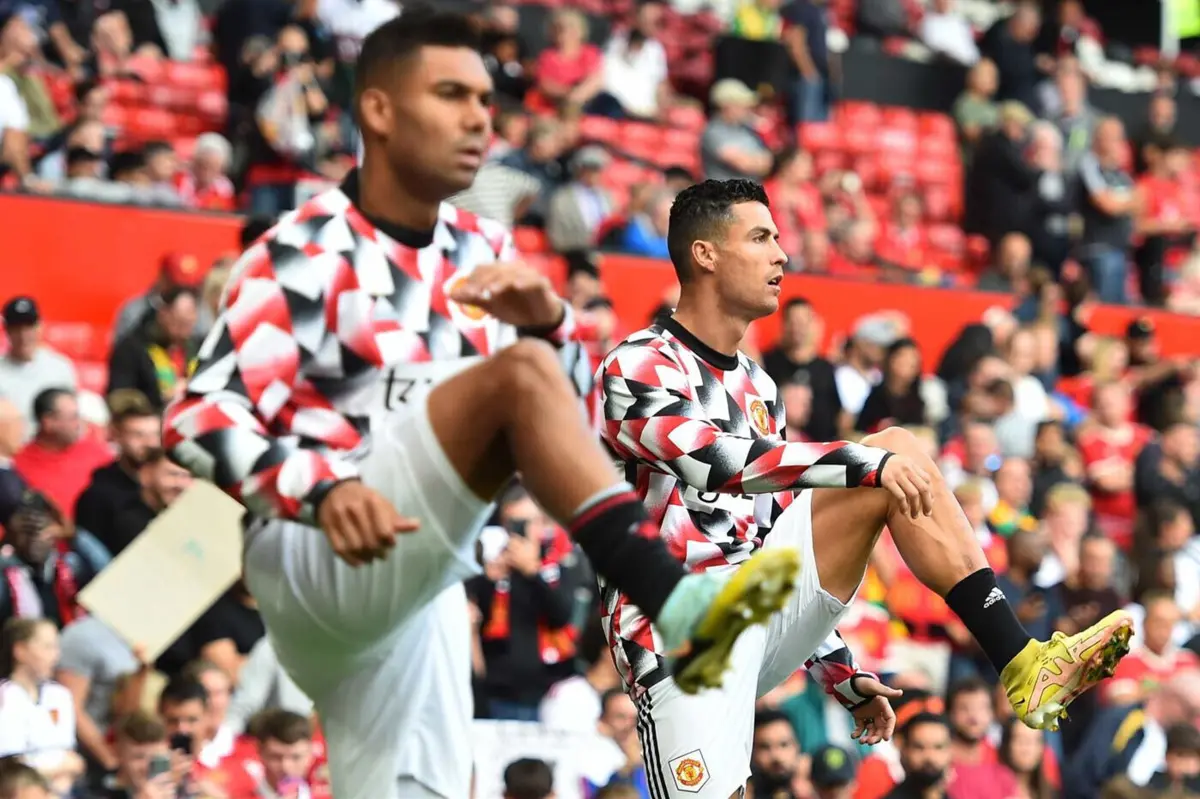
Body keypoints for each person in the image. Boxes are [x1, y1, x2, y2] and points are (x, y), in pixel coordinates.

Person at [162, 11, 797, 799]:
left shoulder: (484, 248)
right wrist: (319, 490)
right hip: (313, 550)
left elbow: (562, 421)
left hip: (419, 575)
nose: (476, 118)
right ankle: (674, 599)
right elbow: (194, 418)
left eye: (486, 101)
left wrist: (556, 328)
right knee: (519, 373)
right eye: (450, 94)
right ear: (379, 111)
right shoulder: (308, 249)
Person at [597, 179, 1134, 799]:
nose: (782, 256)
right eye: (761, 238)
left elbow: (766, 535)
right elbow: (714, 463)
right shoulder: (637, 363)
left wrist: (843, 677)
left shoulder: (759, 387)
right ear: (705, 254)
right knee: (876, 460)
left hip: (757, 606)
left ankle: (1024, 663)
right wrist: (857, 462)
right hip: (679, 636)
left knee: (897, 446)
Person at [0, 619, 85, 792]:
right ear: (20, 651)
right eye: (48, 647)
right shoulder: (4, 696)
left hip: (64, 789)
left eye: (56, 648)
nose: (56, 656)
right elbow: (10, 767)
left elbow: (73, 759)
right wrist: (56, 772)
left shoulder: (60, 695)